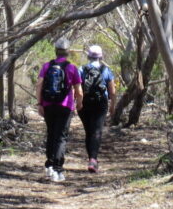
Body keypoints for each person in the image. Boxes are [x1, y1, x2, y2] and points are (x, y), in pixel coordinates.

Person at [36, 38, 82, 182]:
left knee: (51, 133)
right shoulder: (72, 68)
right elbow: (78, 90)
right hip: (65, 106)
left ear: (55, 51)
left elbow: (39, 85)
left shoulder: (46, 66)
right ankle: (57, 169)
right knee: (61, 136)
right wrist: (79, 104)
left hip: (48, 105)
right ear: (68, 52)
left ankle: (49, 165)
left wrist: (39, 103)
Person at [77, 44, 115, 174]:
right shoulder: (106, 70)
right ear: (101, 57)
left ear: (88, 56)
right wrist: (113, 105)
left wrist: (78, 103)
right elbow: (112, 91)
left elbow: (77, 88)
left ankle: (91, 159)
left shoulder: (81, 69)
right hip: (101, 103)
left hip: (85, 103)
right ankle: (93, 159)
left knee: (89, 131)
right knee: (97, 131)